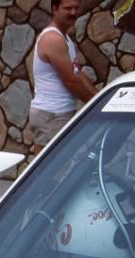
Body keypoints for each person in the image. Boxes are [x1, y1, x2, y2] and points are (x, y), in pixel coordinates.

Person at [29, 0, 98, 153]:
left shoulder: (65, 39)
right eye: (67, 8)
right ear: (54, 9)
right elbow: (71, 81)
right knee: (48, 171)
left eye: (76, 8)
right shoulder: (52, 39)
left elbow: (77, 73)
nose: (73, 13)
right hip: (52, 115)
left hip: (59, 114)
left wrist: (99, 97)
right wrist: (98, 104)